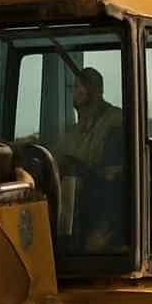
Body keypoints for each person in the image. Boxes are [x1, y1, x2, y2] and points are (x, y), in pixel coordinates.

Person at [52, 67, 129, 254]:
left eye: (82, 86)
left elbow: (116, 174)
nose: (76, 91)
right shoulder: (73, 133)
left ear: (97, 90)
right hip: (72, 205)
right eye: (74, 86)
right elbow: (58, 161)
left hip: (104, 205)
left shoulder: (116, 121)